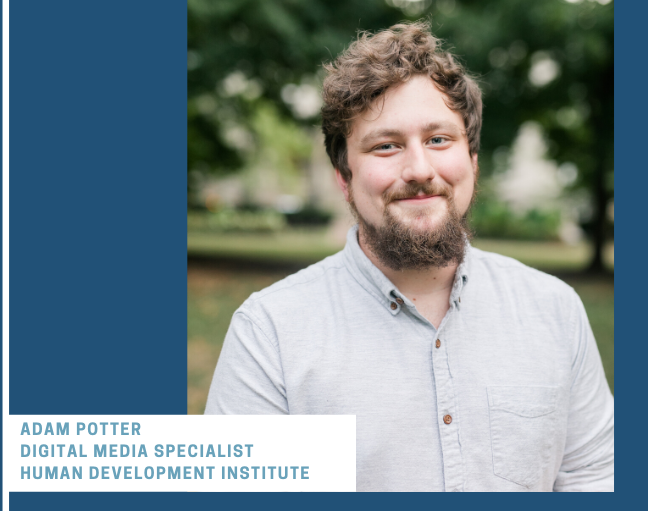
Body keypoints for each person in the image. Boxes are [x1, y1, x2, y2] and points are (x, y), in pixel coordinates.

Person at [205, 21, 614, 492]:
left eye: (439, 140)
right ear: (344, 177)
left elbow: (594, 479)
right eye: (387, 145)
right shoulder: (270, 333)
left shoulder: (554, 311)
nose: (419, 170)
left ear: (473, 160)